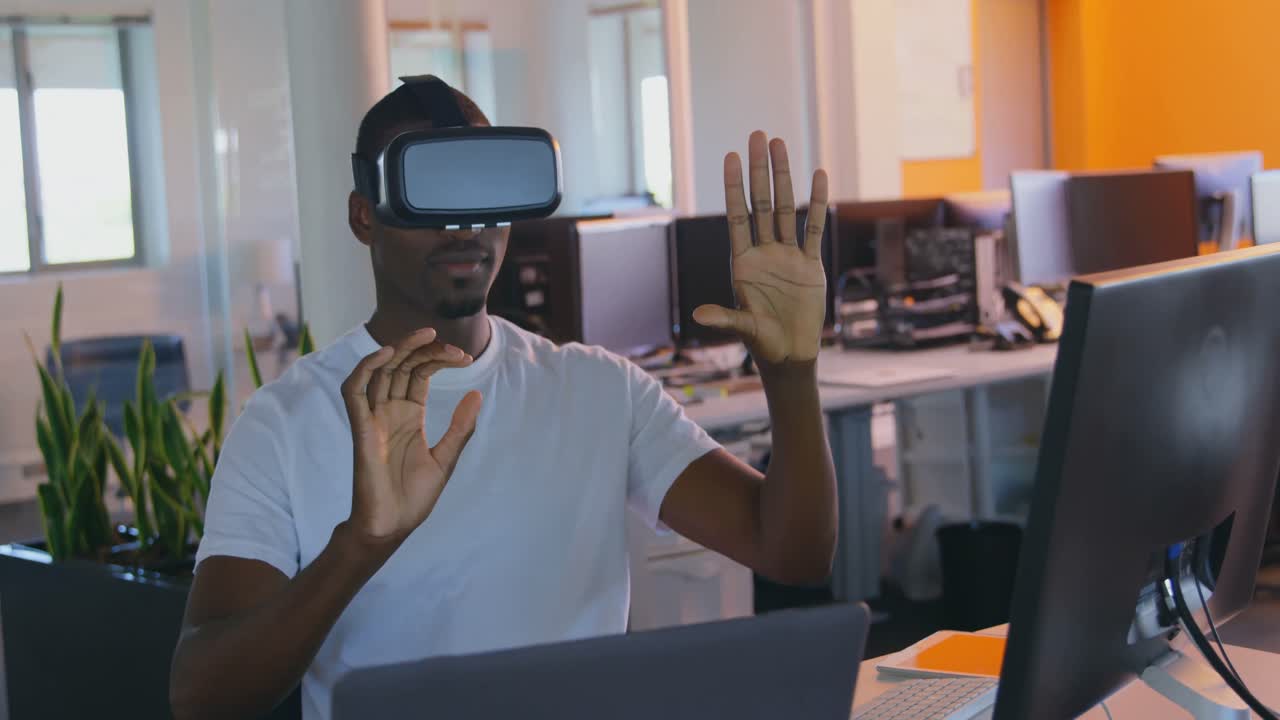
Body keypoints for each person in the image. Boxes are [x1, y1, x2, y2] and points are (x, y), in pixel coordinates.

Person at [169, 78, 837, 720]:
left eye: (483, 189)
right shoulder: (283, 423)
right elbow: (202, 693)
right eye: (430, 192)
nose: (463, 226)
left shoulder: (599, 390)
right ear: (363, 215)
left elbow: (793, 554)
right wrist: (360, 545)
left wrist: (790, 373)